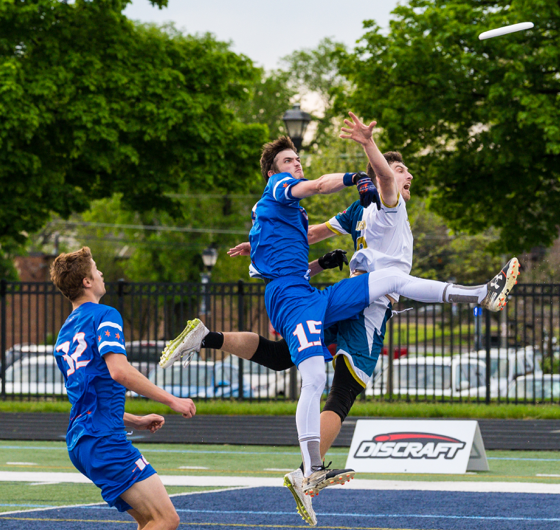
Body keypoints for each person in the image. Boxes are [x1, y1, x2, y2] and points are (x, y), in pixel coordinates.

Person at [159, 114, 519, 526]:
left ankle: (207, 338)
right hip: (331, 304)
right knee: (330, 384)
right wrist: (360, 166)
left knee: (283, 356)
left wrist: (272, 246)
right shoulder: (367, 198)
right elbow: (333, 184)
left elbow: (307, 236)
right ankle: (310, 470)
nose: (407, 176)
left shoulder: (338, 213)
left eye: (297, 159)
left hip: (319, 293)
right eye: (289, 160)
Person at [51, 247, 196, 530]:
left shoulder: (64, 334)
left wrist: (135, 421)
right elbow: (119, 371)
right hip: (103, 440)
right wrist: (172, 400)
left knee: (150, 521)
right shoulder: (105, 314)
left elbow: (88, 399)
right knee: (166, 519)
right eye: (96, 269)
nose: (101, 272)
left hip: (82, 440)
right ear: (87, 281)